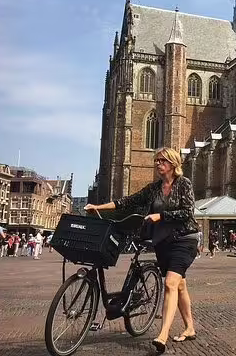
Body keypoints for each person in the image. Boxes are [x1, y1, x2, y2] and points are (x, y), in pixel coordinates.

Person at [84, 147, 200, 353]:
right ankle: (190, 327)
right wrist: (98, 207)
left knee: (170, 283)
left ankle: (162, 336)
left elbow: (187, 212)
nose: (157, 164)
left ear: (173, 164)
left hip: (185, 239)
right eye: (156, 161)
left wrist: (161, 216)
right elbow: (128, 201)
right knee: (180, 285)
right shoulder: (154, 188)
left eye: (161, 161)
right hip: (163, 242)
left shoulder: (184, 184)